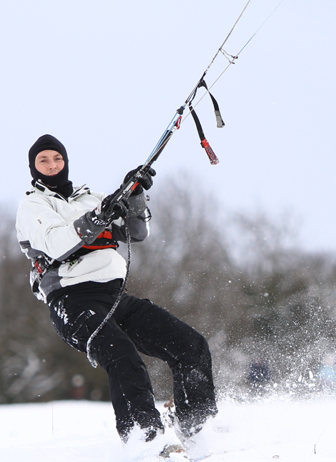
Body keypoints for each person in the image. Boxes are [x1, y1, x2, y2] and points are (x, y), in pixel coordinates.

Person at [16, 134, 218, 443]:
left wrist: (134, 199)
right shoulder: (33, 205)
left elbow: (136, 233)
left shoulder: (90, 198)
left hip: (112, 297)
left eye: (57, 158)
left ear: (66, 162)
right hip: (71, 301)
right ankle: (143, 440)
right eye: (43, 160)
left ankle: (197, 430)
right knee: (122, 356)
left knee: (190, 345)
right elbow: (57, 243)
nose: (52, 165)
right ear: (34, 167)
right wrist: (98, 216)